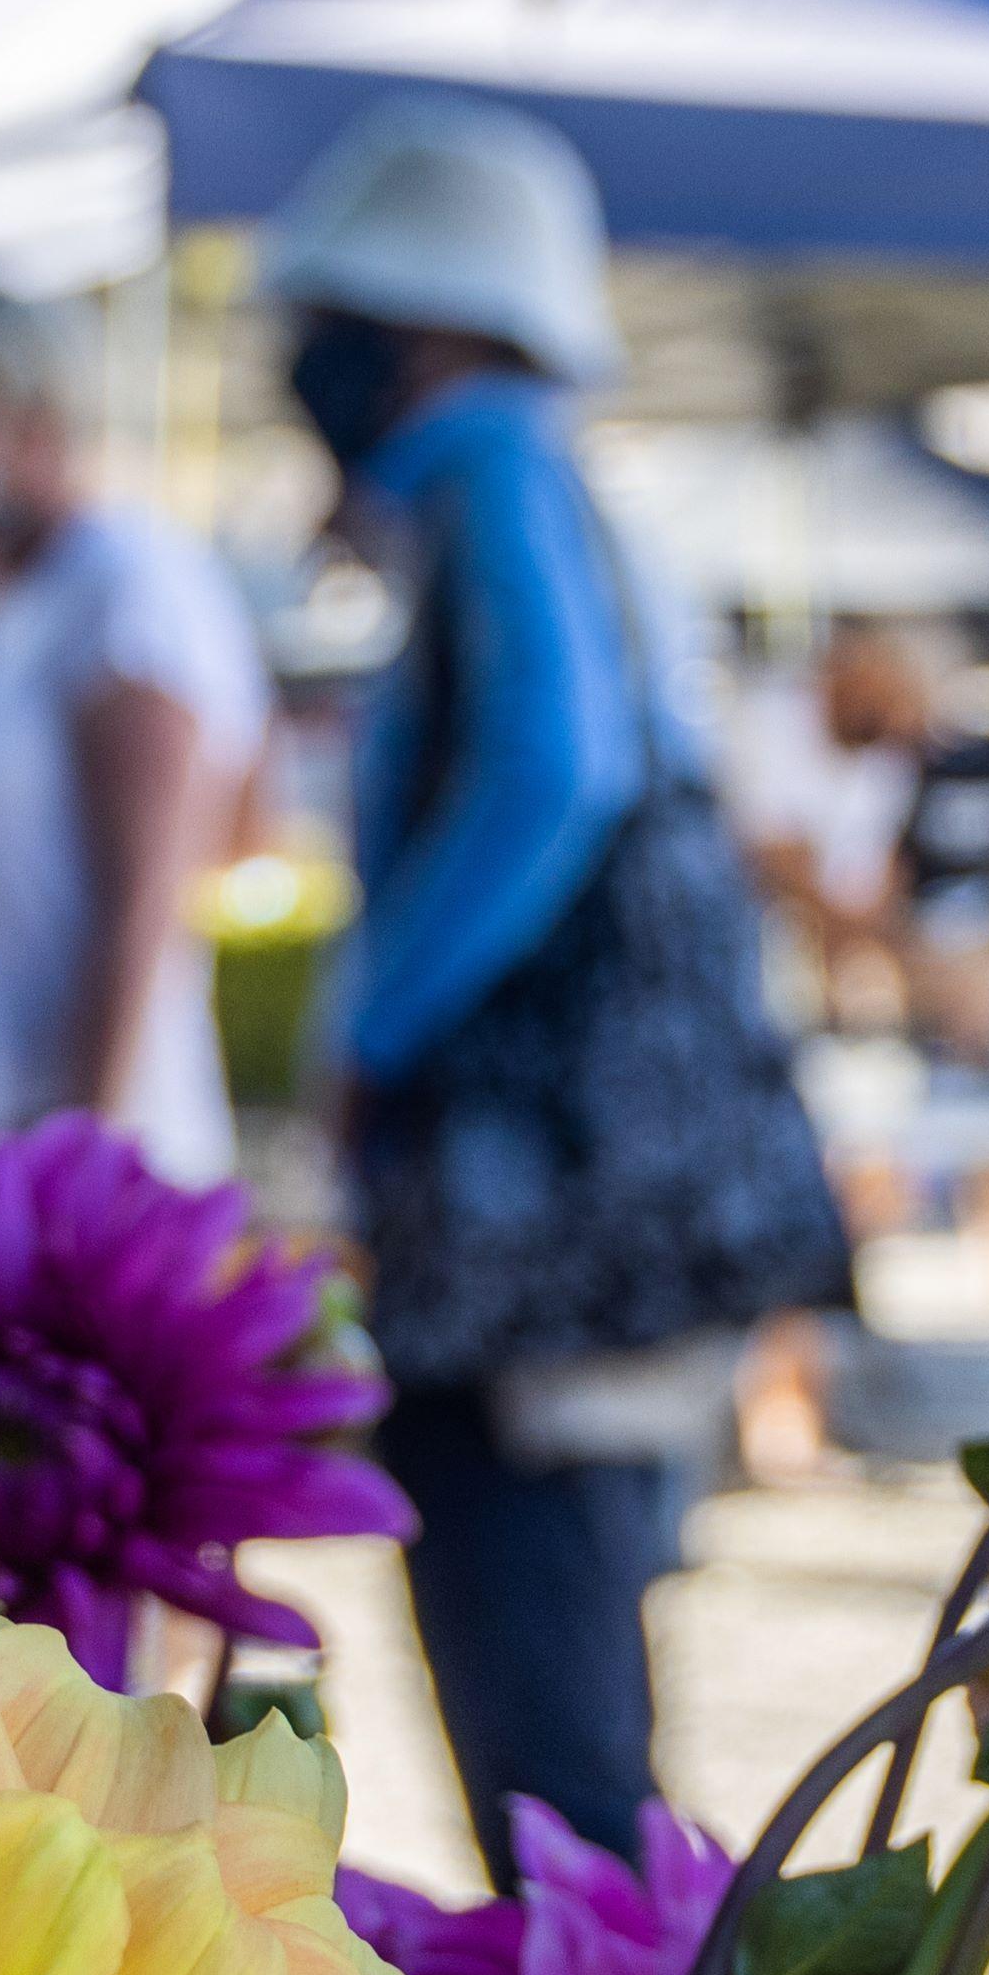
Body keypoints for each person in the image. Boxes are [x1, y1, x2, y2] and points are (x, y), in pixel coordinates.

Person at [268, 94, 850, 1881]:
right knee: (568, 1683)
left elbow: (552, 770)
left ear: (425, 319)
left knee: (551, 1732)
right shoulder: (539, 490)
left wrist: (370, 1032)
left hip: (535, 1243)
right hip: (595, 1223)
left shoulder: (497, 470)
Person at [0, 286, 264, 1187]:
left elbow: (145, 900)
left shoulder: (124, 588)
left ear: (33, 419)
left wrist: (74, 1165)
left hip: (84, 1158)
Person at [723, 618, 936, 1032]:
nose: (897, 721)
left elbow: (876, 890)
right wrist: (824, 900)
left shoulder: (887, 767)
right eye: (896, 699)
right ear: (865, 668)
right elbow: (771, 858)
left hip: (789, 972)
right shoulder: (772, 712)